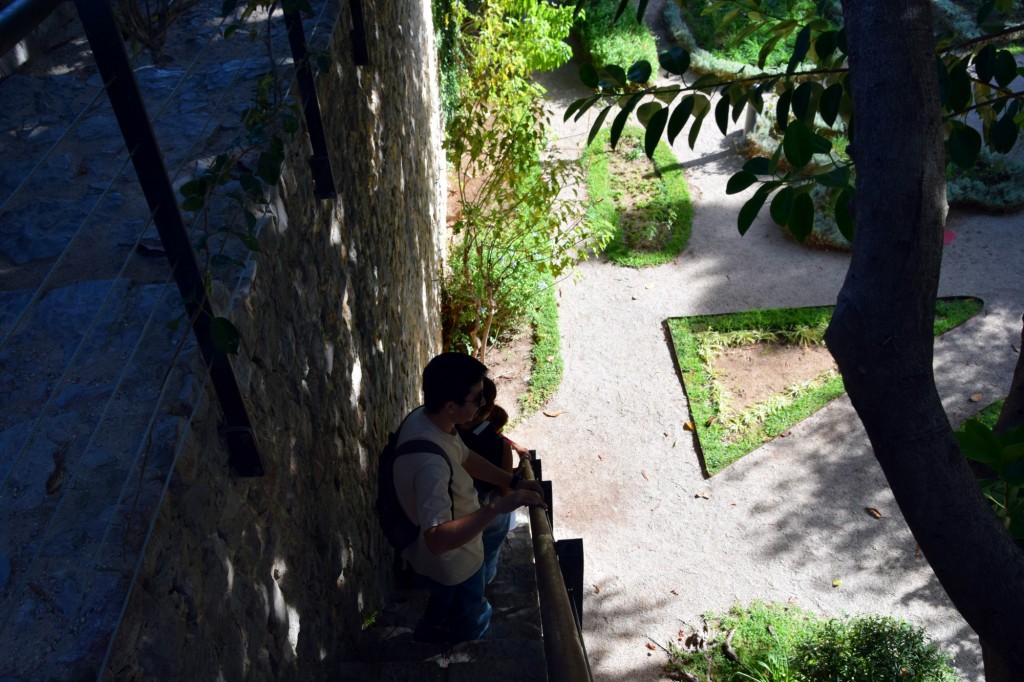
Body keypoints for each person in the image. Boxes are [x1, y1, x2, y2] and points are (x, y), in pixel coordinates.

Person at [392, 352, 546, 643]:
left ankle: (430, 629)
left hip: (443, 562)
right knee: (469, 616)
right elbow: (436, 539)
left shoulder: (424, 421)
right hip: (455, 564)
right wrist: (498, 506)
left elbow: (464, 455)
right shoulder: (431, 466)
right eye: (477, 398)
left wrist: (512, 480)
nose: (484, 404)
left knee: (443, 601)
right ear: (451, 406)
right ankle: (468, 641)